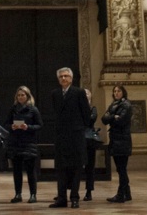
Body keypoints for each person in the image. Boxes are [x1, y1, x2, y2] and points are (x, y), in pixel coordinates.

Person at [49, 67, 91, 209]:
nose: (63, 78)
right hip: (61, 135)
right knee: (61, 168)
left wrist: (79, 128)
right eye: (61, 76)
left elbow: (86, 113)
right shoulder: (55, 94)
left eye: (66, 76)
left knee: (76, 167)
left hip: (76, 135)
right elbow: (56, 112)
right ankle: (61, 198)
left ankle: (74, 197)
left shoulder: (79, 92)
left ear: (71, 78)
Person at [6, 85, 43, 204]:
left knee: (31, 171)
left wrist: (28, 127)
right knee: (16, 170)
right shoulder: (13, 109)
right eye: (19, 95)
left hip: (29, 143)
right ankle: (18, 194)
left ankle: (33, 194)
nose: (21, 97)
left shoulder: (33, 109)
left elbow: (40, 125)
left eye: (23, 95)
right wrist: (11, 126)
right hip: (15, 142)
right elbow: (6, 124)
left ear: (27, 96)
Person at [101, 84, 133, 203]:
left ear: (123, 92)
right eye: (114, 91)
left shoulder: (126, 105)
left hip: (122, 140)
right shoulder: (113, 104)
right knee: (121, 169)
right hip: (115, 140)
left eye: (118, 91)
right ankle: (127, 193)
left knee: (121, 169)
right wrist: (114, 116)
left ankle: (120, 195)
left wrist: (112, 117)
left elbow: (121, 121)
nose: (116, 93)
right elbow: (104, 119)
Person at [82, 90, 99, 201]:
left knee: (90, 166)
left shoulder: (93, 108)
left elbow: (90, 119)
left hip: (89, 139)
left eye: (87, 94)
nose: (85, 95)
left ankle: (89, 191)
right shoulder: (76, 107)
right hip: (78, 138)